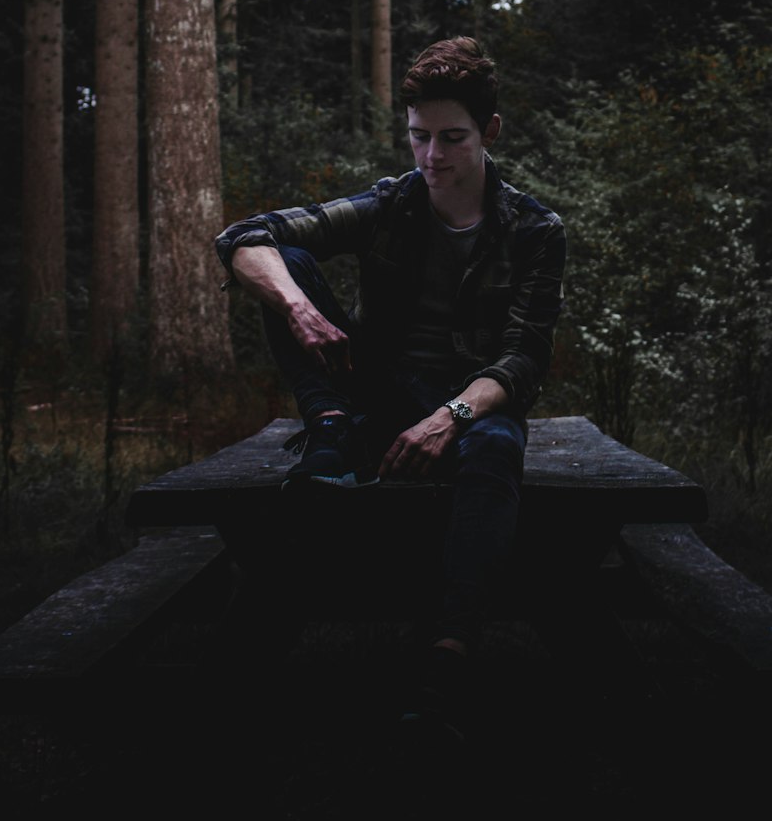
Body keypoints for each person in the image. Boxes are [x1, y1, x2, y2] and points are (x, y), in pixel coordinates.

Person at [214, 36, 566, 739]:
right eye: (419, 138)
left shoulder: (533, 230)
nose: (433, 157)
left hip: (473, 402)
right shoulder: (392, 204)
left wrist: (448, 417)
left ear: (490, 132)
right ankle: (334, 431)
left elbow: (522, 360)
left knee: (495, 445)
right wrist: (297, 306)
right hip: (376, 387)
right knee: (284, 268)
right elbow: (243, 238)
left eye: (452, 138)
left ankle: (448, 649)